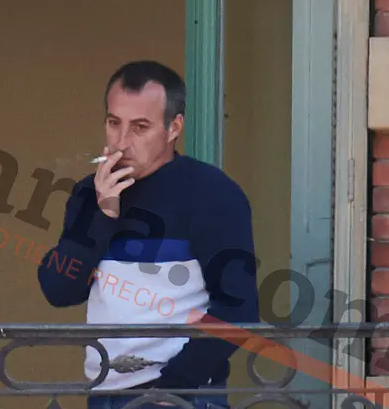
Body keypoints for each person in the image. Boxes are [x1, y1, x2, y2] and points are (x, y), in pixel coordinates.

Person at [37, 60, 259, 409]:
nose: (122, 141)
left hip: (182, 396)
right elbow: (59, 289)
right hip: (104, 391)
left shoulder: (212, 193)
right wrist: (103, 214)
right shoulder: (89, 192)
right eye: (114, 124)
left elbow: (238, 309)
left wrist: (171, 391)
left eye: (140, 127)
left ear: (174, 127)